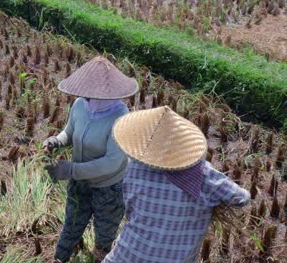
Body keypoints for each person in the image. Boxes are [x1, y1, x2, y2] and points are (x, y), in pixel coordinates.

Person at [103, 106, 251, 263]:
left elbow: (130, 208)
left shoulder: (135, 166)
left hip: (129, 252)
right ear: (184, 147)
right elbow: (242, 198)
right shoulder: (203, 175)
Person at [43, 56, 139, 262]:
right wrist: (56, 141)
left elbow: (111, 162)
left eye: (88, 94)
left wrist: (71, 170)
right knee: (72, 222)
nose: (83, 97)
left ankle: (99, 256)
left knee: (105, 231)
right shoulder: (80, 105)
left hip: (109, 189)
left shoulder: (121, 118)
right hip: (79, 183)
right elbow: (69, 131)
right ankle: (60, 257)